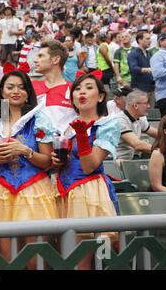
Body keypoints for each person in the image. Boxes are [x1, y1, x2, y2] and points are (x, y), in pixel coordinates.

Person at [0, 69, 58, 264]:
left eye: (21, 87)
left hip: (34, 190)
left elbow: (48, 161)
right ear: (2, 92)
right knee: (7, 259)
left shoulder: (39, 119)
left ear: (28, 93)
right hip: (2, 191)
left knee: (34, 260)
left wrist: (25, 151)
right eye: (10, 87)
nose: (16, 91)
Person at [51, 73, 120, 270]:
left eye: (89, 88)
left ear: (100, 97)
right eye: (77, 89)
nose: (82, 92)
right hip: (63, 192)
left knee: (86, 260)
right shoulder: (65, 126)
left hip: (89, 193)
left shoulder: (108, 124)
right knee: (64, 260)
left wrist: (82, 136)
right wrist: (55, 161)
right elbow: (61, 163)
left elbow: (89, 166)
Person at [32, 40, 76, 133]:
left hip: (63, 146)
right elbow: (4, 102)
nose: (35, 60)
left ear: (55, 60)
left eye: (41, 56)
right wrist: (4, 130)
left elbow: (88, 116)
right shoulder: (31, 86)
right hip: (30, 146)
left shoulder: (74, 90)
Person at [116, 89, 158, 161]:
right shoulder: (120, 120)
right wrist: (164, 152)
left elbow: (157, 134)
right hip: (113, 162)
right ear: (135, 105)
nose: (148, 106)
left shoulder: (140, 118)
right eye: (145, 103)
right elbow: (138, 145)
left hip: (127, 161)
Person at [128, 31, 155, 105]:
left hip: (150, 87)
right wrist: (147, 69)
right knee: (139, 111)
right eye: (147, 38)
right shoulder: (133, 53)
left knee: (150, 112)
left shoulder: (149, 53)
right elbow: (133, 68)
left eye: (150, 38)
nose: (150, 40)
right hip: (139, 88)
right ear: (139, 40)